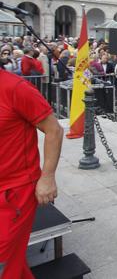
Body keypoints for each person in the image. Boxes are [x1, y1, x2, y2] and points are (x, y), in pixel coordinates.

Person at [0, 63, 63, 279]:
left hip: (14, 193)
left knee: (4, 263)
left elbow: (54, 130)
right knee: (13, 262)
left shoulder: (15, 88)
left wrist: (47, 177)